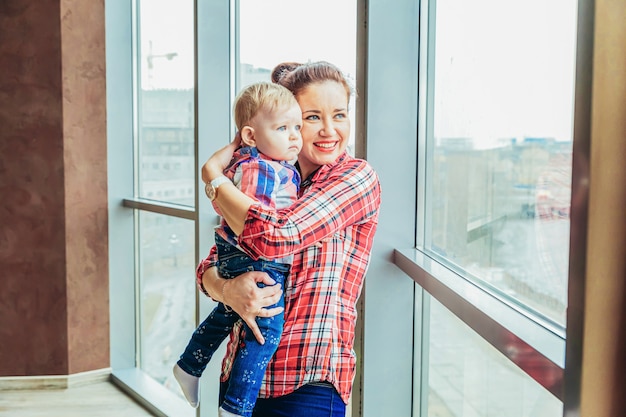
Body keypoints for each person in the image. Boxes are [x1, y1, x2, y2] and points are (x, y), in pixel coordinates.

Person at [197, 61, 382, 417]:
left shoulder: (355, 178)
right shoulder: (267, 177)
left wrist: (213, 178)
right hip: (242, 376)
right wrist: (227, 290)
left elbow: (276, 237)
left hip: (308, 383)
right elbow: (210, 265)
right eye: (312, 117)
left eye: (339, 115)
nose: (329, 130)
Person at [173, 81, 303, 417]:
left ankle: (189, 366)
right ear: (250, 135)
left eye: (298, 127)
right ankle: (236, 406)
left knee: (228, 312)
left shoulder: (256, 159)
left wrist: (213, 171)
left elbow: (215, 172)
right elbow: (257, 221)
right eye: (283, 128)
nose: (294, 137)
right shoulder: (263, 169)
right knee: (266, 331)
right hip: (258, 257)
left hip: (235, 255)